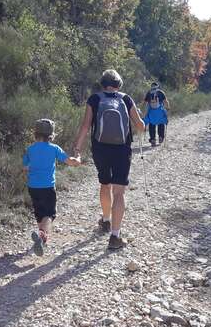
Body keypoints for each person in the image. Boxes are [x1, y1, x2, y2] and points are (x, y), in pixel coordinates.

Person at [74, 69, 145, 249]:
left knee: (104, 183)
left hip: (100, 148)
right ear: (119, 84)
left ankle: (105, 220)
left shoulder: (94, 99)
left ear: (102, 83)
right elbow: (140, 126)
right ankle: (115, 236)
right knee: (119, 192)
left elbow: (85, 126)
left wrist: (77, 148)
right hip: (122, 149)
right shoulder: (126, 99)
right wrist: (142, 123)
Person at [23, 119, 81, 256]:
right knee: (49, 213)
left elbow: (25, 168)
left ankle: (42, 239)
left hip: (33, 187)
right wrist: (78, 158)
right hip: (48, 186)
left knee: (39, 212)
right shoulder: (54, 148)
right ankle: (42, 234)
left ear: (35, 133)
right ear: (51, 134)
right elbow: (71, 162)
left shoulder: (30, 149)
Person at [144, 82, 169, 146]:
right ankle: (161, 137)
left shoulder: (149, 93)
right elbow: (165, 101)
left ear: (151, 86)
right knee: (161, 123)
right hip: (159, 111)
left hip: (151, 112)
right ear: (157, 86)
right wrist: (168, 108)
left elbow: (145, 103)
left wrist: (145, 113)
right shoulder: (161, 92)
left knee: (151, 125)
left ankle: (152, 139)